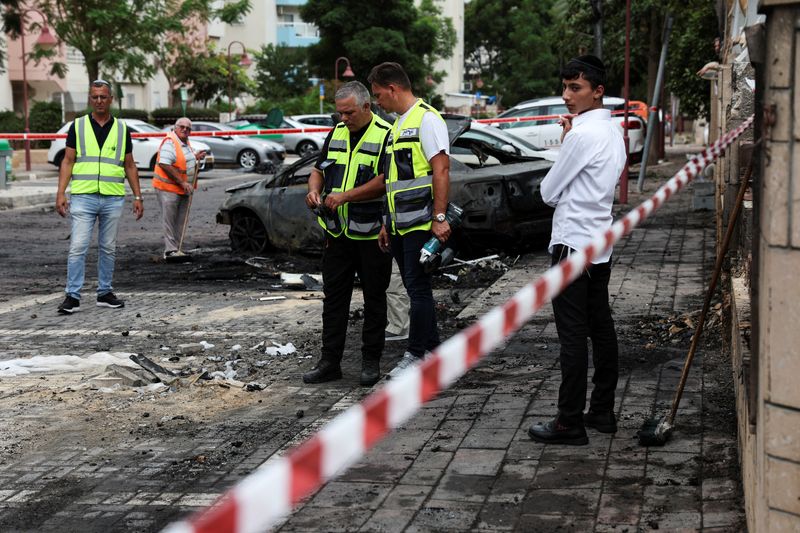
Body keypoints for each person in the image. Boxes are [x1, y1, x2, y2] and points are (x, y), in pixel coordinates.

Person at [528, 55, 626, 445]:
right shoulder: (613, 131)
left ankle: (569, 421)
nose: (566, 96)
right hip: (599, 245)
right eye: (565, 87)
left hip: (572, 246)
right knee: (600, 328)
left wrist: (566, 142)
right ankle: (601, 410)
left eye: (576, 88)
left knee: (572, 336)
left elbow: (547, 192)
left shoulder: (582, 136)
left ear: (598, 91)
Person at [302, 81, 393, 386]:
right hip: (337, 234)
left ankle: (370, 361)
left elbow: (386, 180)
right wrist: (314, 191)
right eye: (339, 113)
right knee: (334, 300)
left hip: (372, 234)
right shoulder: (337, 132)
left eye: (349, 113)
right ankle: (330, 362)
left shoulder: (386, 134)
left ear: (367, 106)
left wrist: (345, 196)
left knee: (374, 300)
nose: (343, 119)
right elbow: (319, 169)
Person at [368, 62, 451, 376]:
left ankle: (416, 354)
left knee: (417, 289)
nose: (377, 101)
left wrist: (439, 217)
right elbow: (394, 181)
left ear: (393, 88)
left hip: (422, 221)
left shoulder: (427, 119)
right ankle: (433, 353)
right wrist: (387, 222)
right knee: (417, 288)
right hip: (401, 223)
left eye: (378, 95)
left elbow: (441, 170)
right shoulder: (397, 125)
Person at [55, 79, 144, 314]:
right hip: (83, 196)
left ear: (110, 99)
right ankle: (72, 296)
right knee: (78, 246)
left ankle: (104, 293)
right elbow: (68, 160)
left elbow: (130, 165)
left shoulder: (122, 129)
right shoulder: (78, 126)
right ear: (89, 99)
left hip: (113, 197)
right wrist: (61, 193)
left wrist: (138, 196)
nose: (99, 101)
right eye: (95, 97)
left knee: (108, 247)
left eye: (103, 97)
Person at [153, 117, 206, 259]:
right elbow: (165, 164)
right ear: (175, 128)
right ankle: (170, 250)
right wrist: (182, 183)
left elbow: (183, 161)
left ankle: (177, 248)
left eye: (188, 128)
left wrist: (196, 157)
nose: (185, 129)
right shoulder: (170, 142)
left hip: (183, 189)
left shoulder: (185, 143)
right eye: (182, 127)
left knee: (181, 220)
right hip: (168, 188)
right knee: (170, 220)